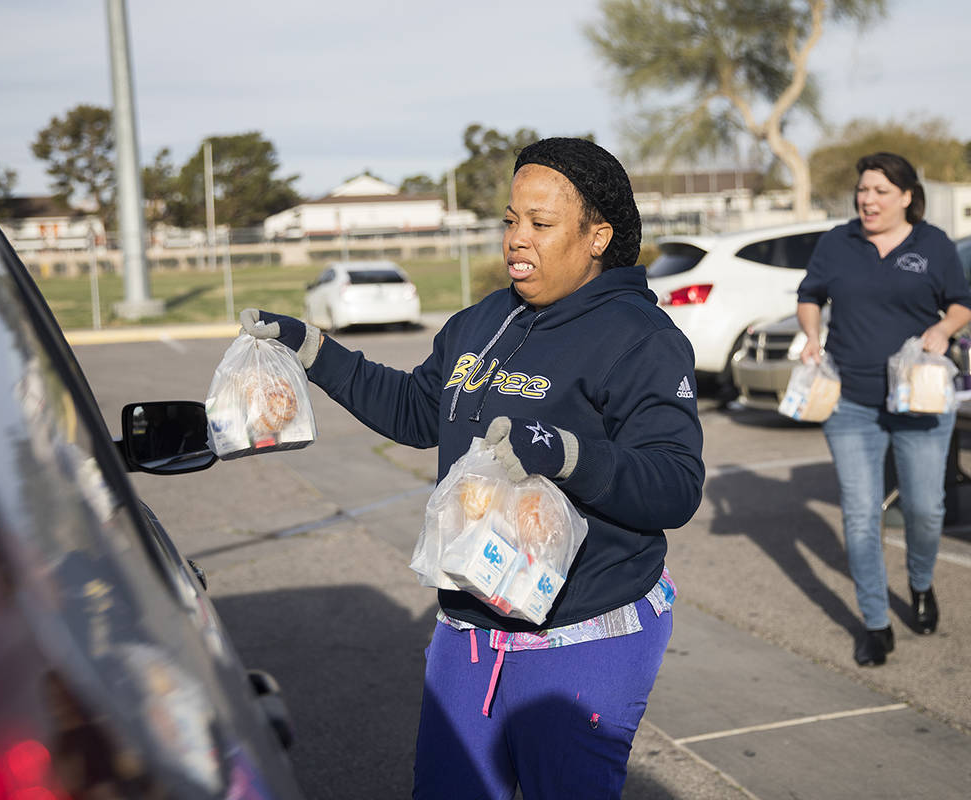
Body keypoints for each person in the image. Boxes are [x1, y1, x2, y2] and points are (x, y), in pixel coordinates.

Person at [239, 137, 704, 798]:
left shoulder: (642, 339)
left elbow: (675, 486)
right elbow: (412, 409)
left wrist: (566, 453)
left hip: (581, 635)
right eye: (511, 220)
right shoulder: (482, 321)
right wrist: (310, 348)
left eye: (541, 225)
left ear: (597, 235)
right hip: (469, 629)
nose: (518, 238)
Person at [796, 152, 971, 667]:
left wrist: (943, 329)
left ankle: (920, 584)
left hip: (919, 399)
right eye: (863, 190)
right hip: (851, 403)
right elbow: (810, 294)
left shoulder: (933, 244)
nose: (867, 200)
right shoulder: (838, 242)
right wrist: (812, 335)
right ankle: (875, 624)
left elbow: (962, 301)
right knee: (859, 516)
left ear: (906, 197)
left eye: (879, 191)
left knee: (925, 509)